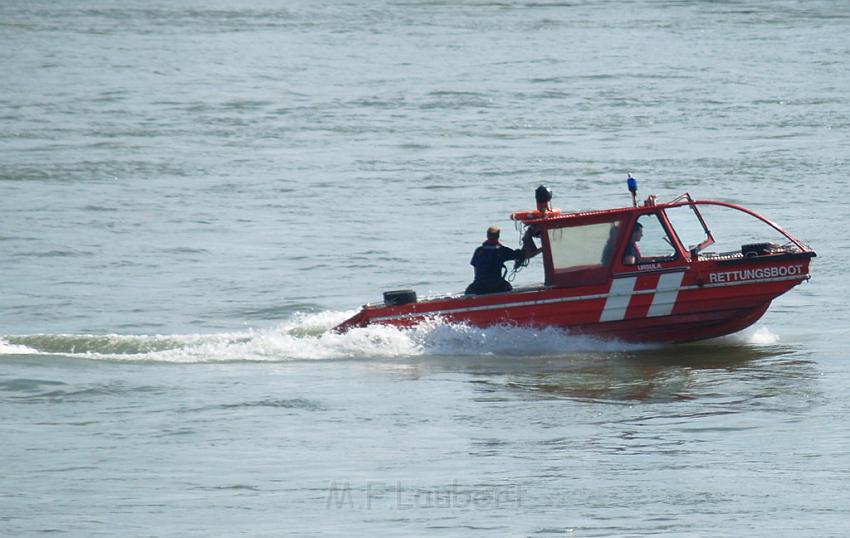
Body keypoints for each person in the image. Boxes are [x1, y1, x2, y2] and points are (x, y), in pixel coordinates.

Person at [465, 226, 524, 295]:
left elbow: (475, 269)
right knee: (508, 288)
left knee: (468, 291)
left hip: (479, 286)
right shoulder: (502, 250)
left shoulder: (479, 251)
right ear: (498, 236)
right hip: (496, 286)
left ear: (487, 236)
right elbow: (519, 255)